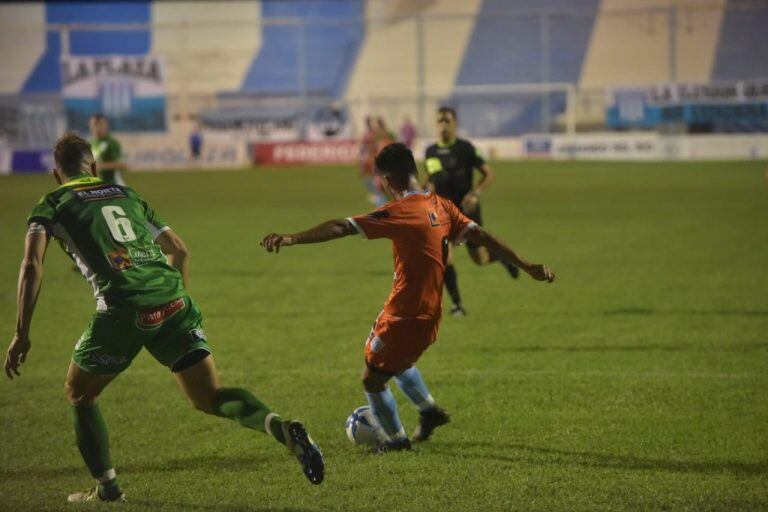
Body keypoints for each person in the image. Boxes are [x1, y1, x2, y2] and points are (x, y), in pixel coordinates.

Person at [4, 134, 324, 503]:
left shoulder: (52, 202)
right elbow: (180, 250)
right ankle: (283, 429)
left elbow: (31, 264)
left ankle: (108, 490)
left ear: (56, 175)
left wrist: (21, 333)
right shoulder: (127, 194)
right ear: (93, 166)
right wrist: (172, 306)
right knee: (209, 395)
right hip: (174, 299)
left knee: (80, 393)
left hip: (123, 308)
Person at [261, 143, 554, 452]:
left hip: (404, 314)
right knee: (397, 361)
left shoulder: (399, 211)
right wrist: (526, 265)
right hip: (430, 314)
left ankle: (396, 442)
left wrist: (292, 238)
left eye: (383, 181)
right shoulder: (442, 205)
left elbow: (340, 227)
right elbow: (482, 236)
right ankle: (429, 412)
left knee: (371, 379)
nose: (384, 187)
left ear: (392, 178)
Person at [425, 106, 520, 317]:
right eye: (439, 121)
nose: (443, 125)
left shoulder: (466, 148)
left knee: (480, 259)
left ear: (455, 123)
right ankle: (457, 305)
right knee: (445, 258)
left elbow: (488, 173)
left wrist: (476, 193)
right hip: (443, 214)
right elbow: (433, 178)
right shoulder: (430, 152)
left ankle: (502, 258)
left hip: (467, 212)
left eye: (447, 120)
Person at [89, 114, 128, 186]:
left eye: (100, 124)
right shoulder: (91, 143)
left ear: (106, 126)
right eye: (95, 124)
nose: (97, 128)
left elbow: (123, 165)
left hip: (114, 185)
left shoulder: (112, 142)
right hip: (99, 185)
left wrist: (101, 166)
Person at [359, 116, 386, 206]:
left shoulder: (375, 134)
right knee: (369, 178)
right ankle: (377, 195)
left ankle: (378, 196)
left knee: (374, 177)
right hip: (370, 158)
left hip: (373, 158)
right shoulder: (371, 134)